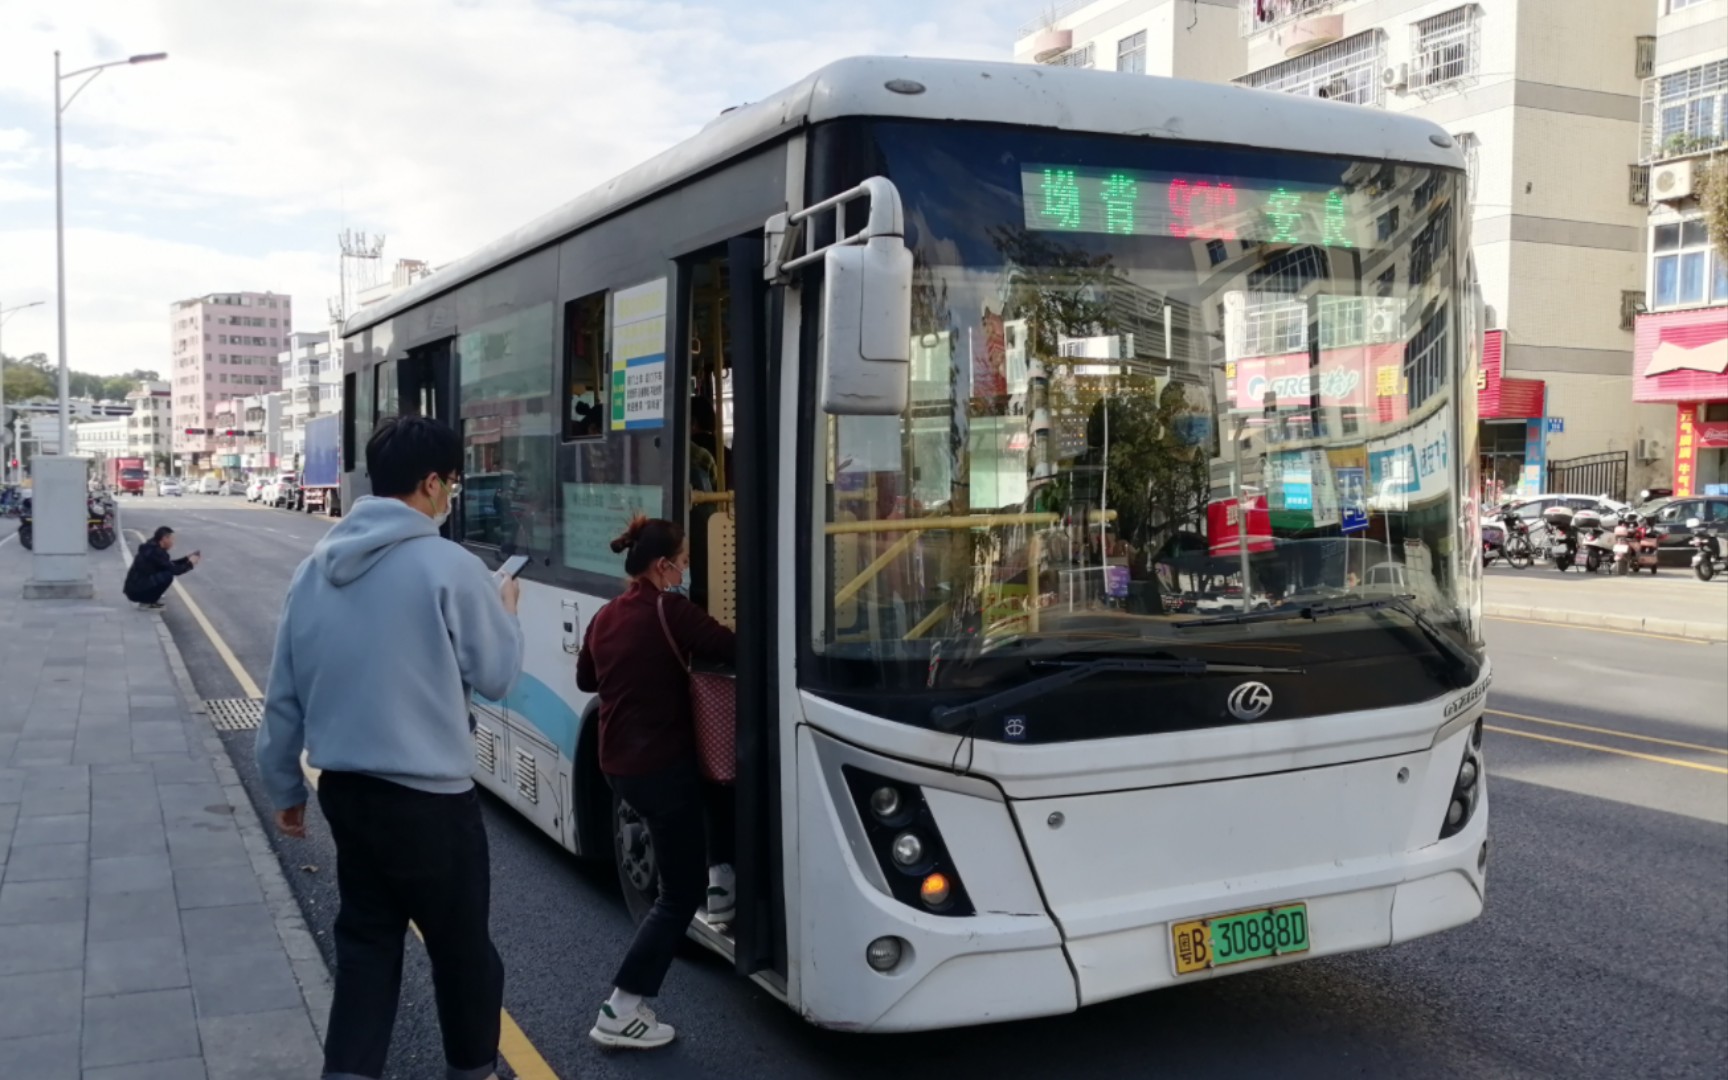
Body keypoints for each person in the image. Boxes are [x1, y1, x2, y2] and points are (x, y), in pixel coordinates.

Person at [255, 415, 524, 1080]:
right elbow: (496, 676)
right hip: (432, 804)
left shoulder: (315, 569)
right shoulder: (450, 566)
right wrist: (506, 611)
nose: (452, 495)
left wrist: (286, 790)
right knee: (463, 954)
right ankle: (472, 1071)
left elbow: (282, 695)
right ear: (432, 483)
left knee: (367, 946)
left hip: (347, 793)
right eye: (453, 483)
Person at [576, 516, 736, 1050]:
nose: (688, 566)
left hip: (618, 766)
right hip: (659, 769)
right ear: (662, 565)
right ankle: (621, 1009)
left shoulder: (605, 616)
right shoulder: (672, 610)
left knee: (708, 796)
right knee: (677, 895)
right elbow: (730, 646)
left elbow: (586, 679)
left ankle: (722, 881)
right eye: (685, 558)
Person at [122, 526, 199, 609]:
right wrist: (190, 564)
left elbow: (167, 564)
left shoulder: (152, 547)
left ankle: (149, 600)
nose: (173, 542)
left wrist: (186, 559)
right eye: (172, 539)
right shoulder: (154, 553)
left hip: (134, 588)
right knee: (168, 576)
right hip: (135, 592)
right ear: (164, 539)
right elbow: (175, 570)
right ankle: (146, 602)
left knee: (165, 573)